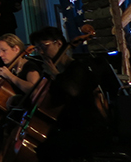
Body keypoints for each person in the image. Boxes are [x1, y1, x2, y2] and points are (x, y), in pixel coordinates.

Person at [25, 26, 109, 162]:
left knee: (46, 151)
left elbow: (72, 91)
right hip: (67, 127)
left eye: (44, 46)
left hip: (87, 128)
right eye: (37, 48)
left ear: (58, 43)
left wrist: (54, 74)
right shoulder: (56, 71)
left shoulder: (78, 67)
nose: (41, 52)